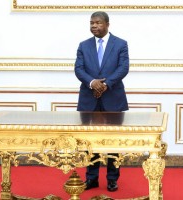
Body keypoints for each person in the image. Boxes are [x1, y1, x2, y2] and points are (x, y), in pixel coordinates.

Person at [74, 11, 129, 192]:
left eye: (97, 23)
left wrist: (106, 84)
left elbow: (123, 68)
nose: (94, 26)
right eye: (91, 23)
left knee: (113, 141)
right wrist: (93, 83)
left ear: (107, 24)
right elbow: (79, 69)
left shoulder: (120, 44)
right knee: (89, 142)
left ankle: (112, 179)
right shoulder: (83, 45)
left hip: (113, 98)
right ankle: (91, 179)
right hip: (88, 100)